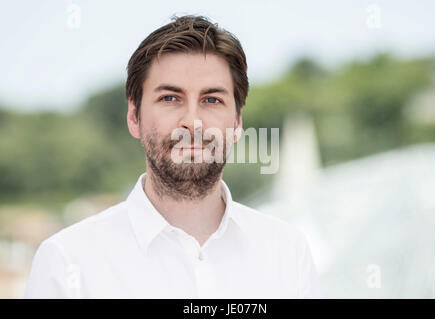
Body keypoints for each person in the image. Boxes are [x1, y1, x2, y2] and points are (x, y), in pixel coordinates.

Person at [24, 14, 323, 298]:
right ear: (133, 116)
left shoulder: (289, 253)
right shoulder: (67, 263)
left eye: (212, 99)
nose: (192, 121)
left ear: (237, 122)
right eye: (170, 98)